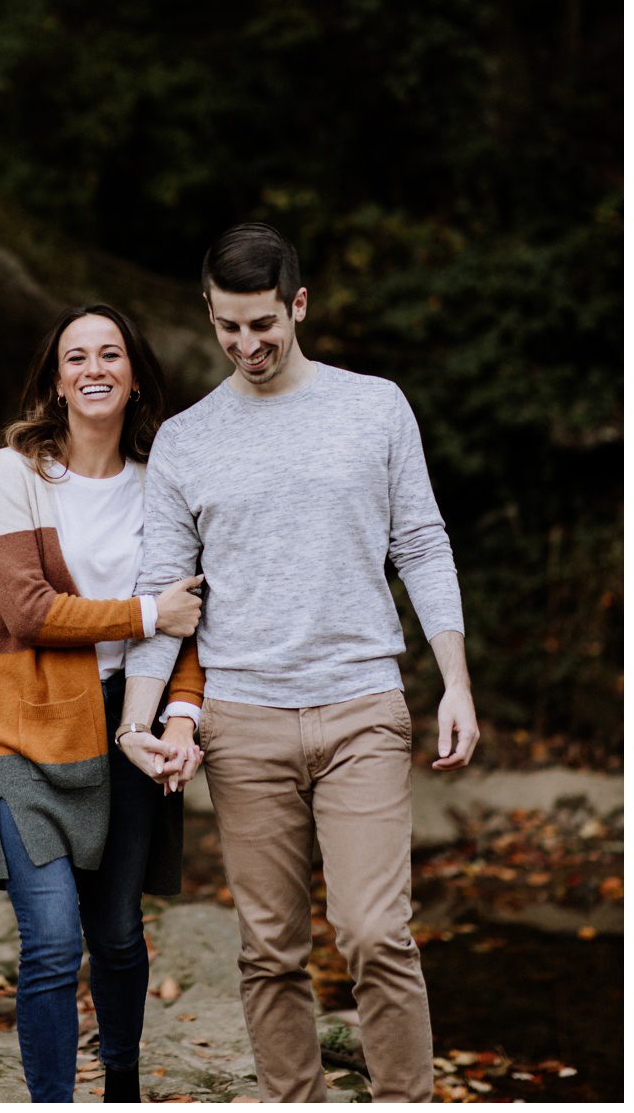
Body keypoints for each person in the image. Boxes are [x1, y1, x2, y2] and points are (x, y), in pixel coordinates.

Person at [122, 222, 477, 1103]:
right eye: (228, 327)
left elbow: (423, 545)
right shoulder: (186, 441)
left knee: (373, 932)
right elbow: (164, 597)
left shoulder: (375, 406)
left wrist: (457, 684)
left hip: (363, 703)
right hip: (244, 720)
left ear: (299, 305)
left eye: (264, 325)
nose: (247, 345)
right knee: (270, 948)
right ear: (209, 314)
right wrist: (144, 717)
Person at [0, 302, 210, 1103]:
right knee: (51, 940)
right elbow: (28, 608)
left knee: (116, 935)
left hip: (123, 727)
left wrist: (182, 714)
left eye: (111, 354)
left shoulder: (162, 484)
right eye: (77, 358)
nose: (94, 368)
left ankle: (125, 1089)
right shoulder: (17, 472)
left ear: (136, 376)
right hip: (19, 729)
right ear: (56, 381)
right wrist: (145, 614)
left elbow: (193, 622)